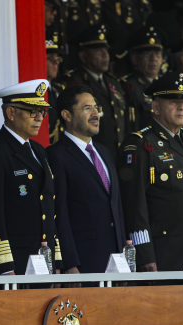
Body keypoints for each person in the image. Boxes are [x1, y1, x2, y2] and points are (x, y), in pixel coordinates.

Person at [118, 70, 183, 272]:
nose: (182, 106)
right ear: (156, 107)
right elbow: (134, 204)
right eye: (173, 101)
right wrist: (144, 253)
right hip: (162, 254)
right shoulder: (140, 143)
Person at [0, 79, 61, 275]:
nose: (39, 118)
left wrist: (56, 260)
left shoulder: (39, 150)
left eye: (42, 112)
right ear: (11, 113)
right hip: (16, 262)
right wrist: (3, 266)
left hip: (43, 260)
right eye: (33, 112)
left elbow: (48, 208)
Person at [47, 85, 125, 274]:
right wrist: (69, 262)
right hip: (84, 261)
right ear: (66, 115)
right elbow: (59, 214)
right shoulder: (55, 155)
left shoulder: (104, 152)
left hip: (117, 260)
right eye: (87, 108)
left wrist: (125, 256)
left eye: (96, 108)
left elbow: (115, 206)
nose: (95, 113)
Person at [58, 24, 127, 164]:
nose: (105, 54)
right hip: (88, 158)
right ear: (83, 56)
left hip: (116, 159)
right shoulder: (73, 82)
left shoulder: (114, 83)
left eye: (106, 50)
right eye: (98, 50)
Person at [123, 26, 166, 133]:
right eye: (147, 53)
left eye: (157, 53)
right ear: (134, 58)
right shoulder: (128, 87)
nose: (153, 58)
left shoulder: (167, 85)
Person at [46, 34, 66, 145]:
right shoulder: (33, 90)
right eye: (50, 59)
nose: (56, 62)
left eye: (57, 58)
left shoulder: (59, 89)